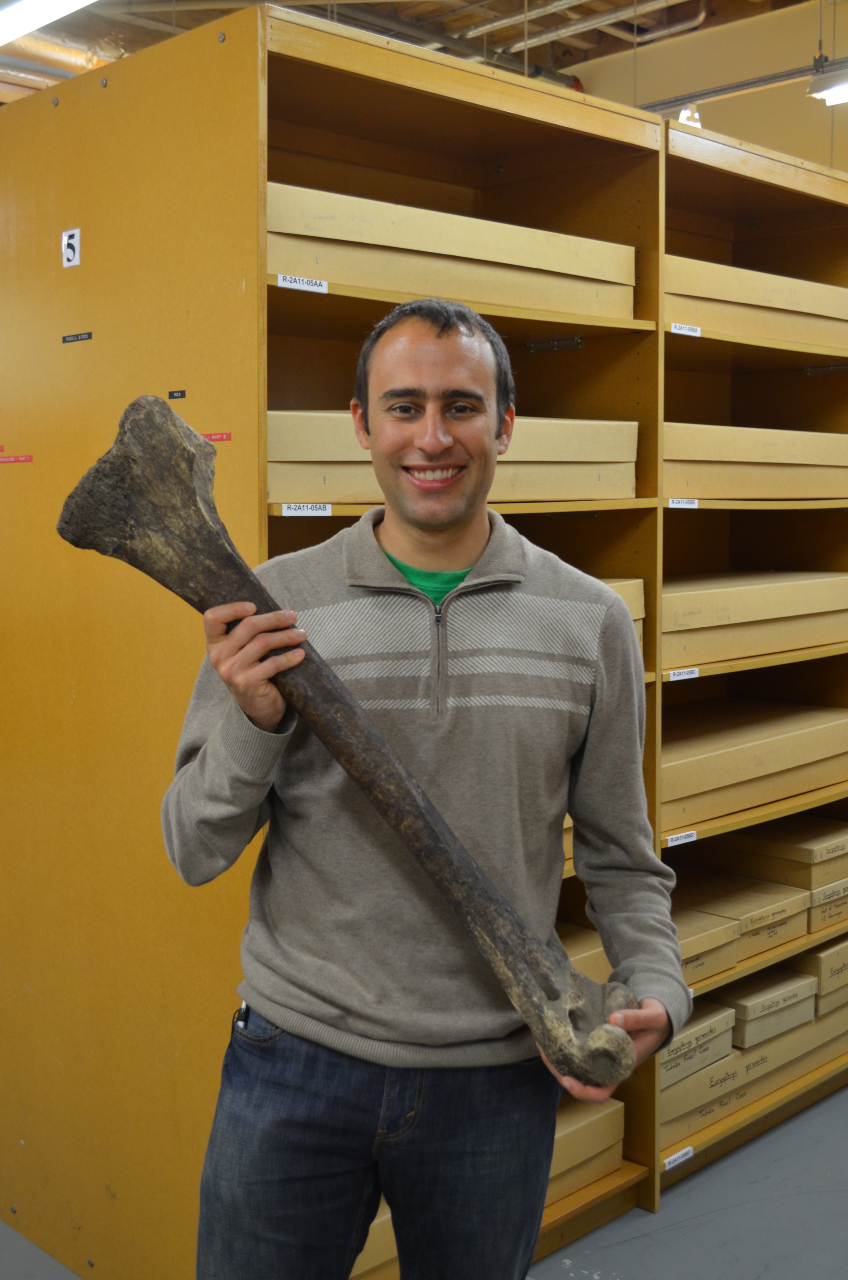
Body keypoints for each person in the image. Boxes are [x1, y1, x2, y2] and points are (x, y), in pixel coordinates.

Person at [162, 297, 690, 1280]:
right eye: (402, 406)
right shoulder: (272, 607)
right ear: (360, 424)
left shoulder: (587, 621)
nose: (432, 437)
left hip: (492, 1079)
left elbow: (621, 854)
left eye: (461, 405)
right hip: (293, 1059)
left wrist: (654, 982)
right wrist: (253, 723)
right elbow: (191, 847)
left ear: (505, 423)